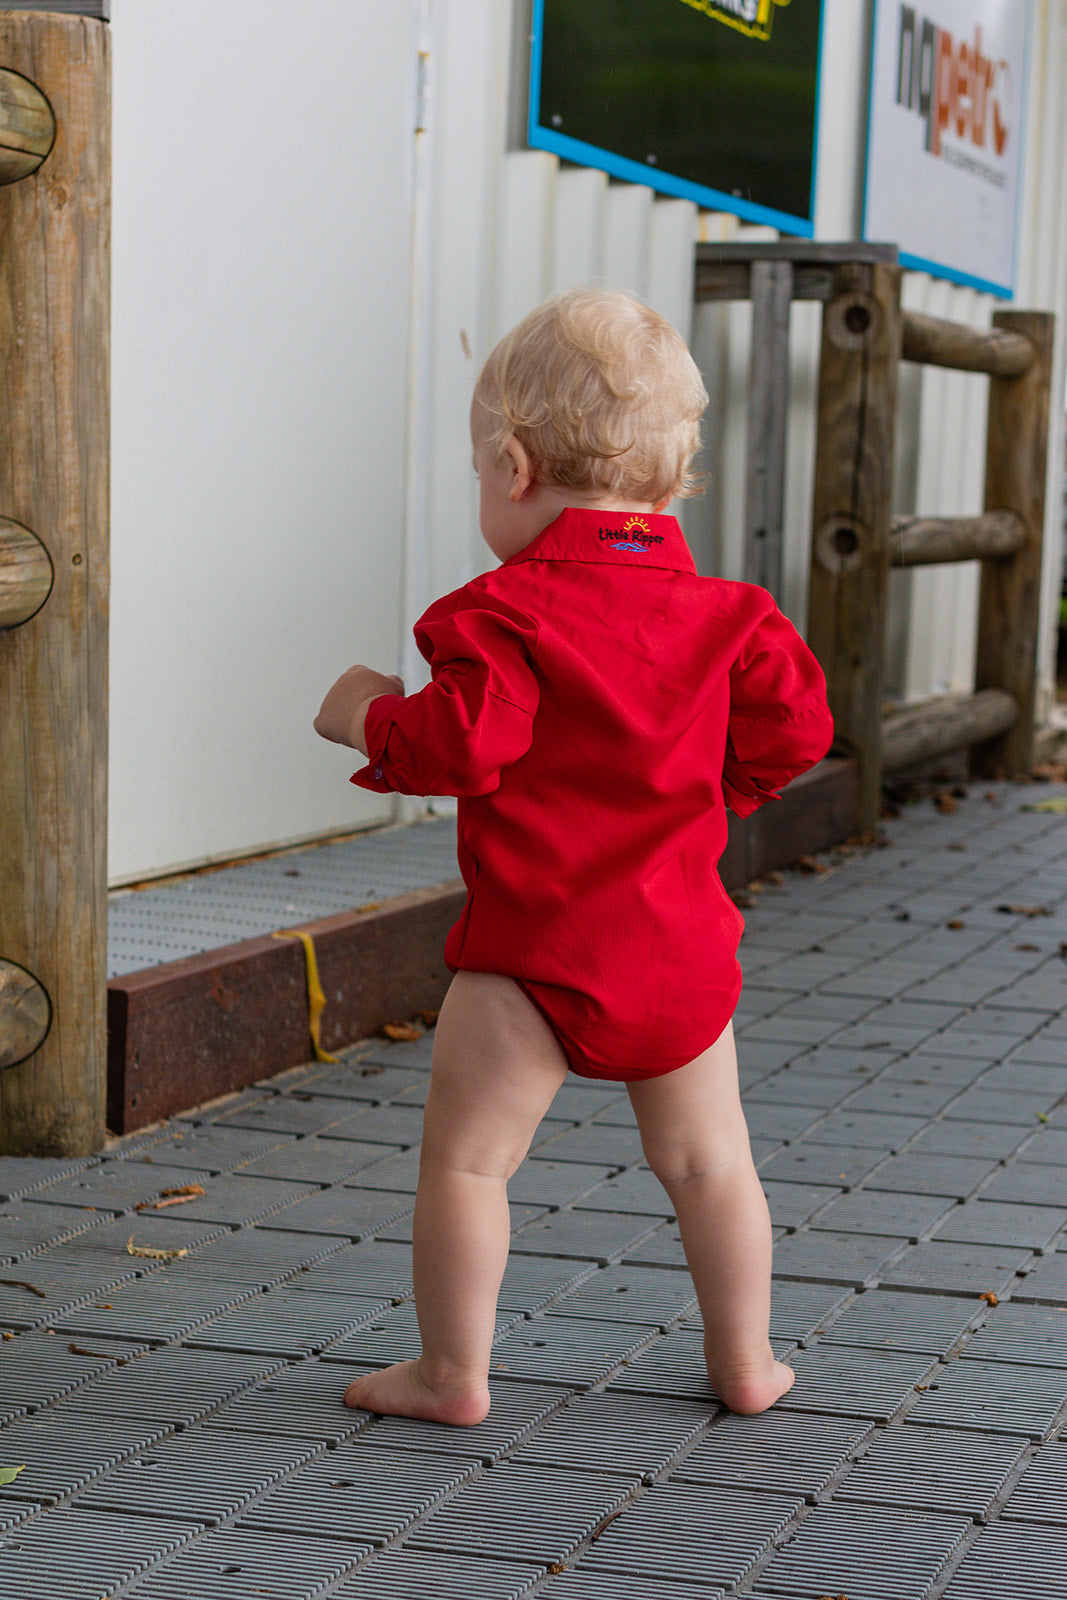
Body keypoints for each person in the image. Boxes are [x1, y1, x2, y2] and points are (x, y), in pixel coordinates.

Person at [314, 287, 833, 1426]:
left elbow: (456, 743)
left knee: (468, 1167)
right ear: (670, 481)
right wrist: (720, 789)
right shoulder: (733, 618)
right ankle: (745, 1360)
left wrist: (362, 712)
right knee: (708, 1167)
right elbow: (799, 728)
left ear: (511, 466)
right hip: (682, 962)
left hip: (532, 961)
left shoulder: (500, 615)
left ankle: (451, 1374)